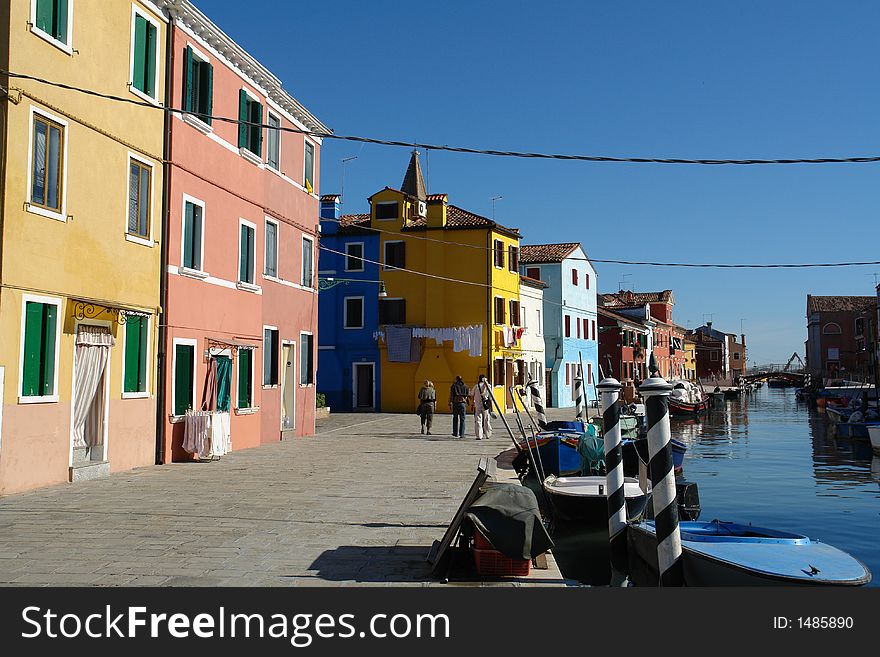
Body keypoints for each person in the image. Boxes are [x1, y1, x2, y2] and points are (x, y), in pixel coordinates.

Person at [471, 374, 493, 440]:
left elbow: (471, 394)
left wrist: (473, 403)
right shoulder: (488, 386)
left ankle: (479, 435)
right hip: (485, 405)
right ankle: (488, 434)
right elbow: (491, 396)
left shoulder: (476, 386)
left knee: (478, 420)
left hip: (477, 405)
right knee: (486, 419)